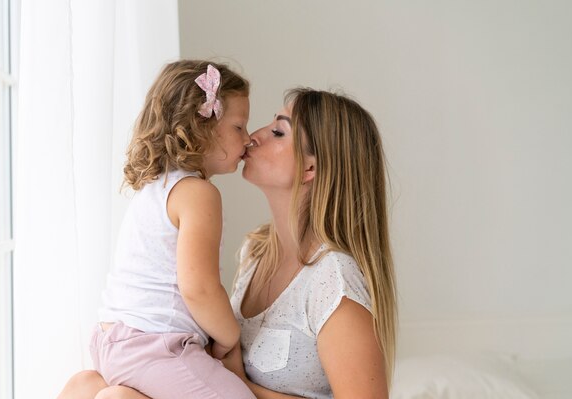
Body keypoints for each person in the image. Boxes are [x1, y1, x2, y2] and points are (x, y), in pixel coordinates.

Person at [58, 88, 397, 399]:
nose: (253, 137)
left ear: (310, 168)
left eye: (279, 131)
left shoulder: (332, 280)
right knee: (85, 385)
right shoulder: (257, 252)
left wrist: (239, 383)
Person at [57, 60, 256, 399]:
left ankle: (92, 389)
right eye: (239, 126)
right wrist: (228, 337)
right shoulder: (199, 193)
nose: (248, 139)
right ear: (201, 126)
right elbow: (200, 288)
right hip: (155, 346)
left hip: (112, 339)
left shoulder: (157, 187)